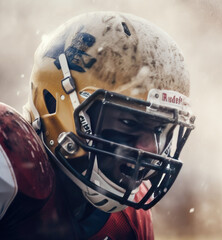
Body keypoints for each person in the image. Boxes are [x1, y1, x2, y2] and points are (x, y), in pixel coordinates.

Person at [0, 11, 195, 239]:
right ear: (55, 103)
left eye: (159, 129)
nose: (150, 149)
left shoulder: (129, 219)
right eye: (128, 122)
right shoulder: (9, 161)